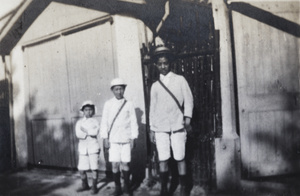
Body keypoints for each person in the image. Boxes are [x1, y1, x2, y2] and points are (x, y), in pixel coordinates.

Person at [149, 46, 194, 196]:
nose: (163, 66)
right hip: (160, 127)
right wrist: (152, 128)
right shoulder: (155, 86)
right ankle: (164, 189)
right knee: (163, 159)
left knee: (180, 157)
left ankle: (183, 189)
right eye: (160, 64)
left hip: (178, 126)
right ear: (156, 65)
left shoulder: (180, 80)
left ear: (170, 63)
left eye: (165, 63)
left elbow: (188, 100)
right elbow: (152, 108)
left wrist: (187, 119)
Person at [100, 78, 139, 196]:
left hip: (126, 139)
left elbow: (133, 121)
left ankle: (126, 185)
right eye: (116, 89)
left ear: (124, 89)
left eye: (121, 89)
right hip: (113, 140)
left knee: (125, 163)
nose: (119, 92)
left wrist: (133, 137)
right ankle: (118, 187)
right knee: (115, 164)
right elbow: (104, 122)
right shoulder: (108, 104)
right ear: (112, 90)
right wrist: (105, 138)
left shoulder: (129, 104)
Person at [75, 100, 100, 194]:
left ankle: (94, 186)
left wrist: (86, 130)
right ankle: (85, 185)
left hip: (93, 147)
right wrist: (89, 132)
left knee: (94, 168)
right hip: (83, 148)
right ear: (83, 111)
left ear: (93, 111)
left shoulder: (95, 121)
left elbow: (95, 132)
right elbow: (79, 134)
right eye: (86, 110)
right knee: (81, 169)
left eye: (90, 110)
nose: (88, 112)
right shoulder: (79, 122)